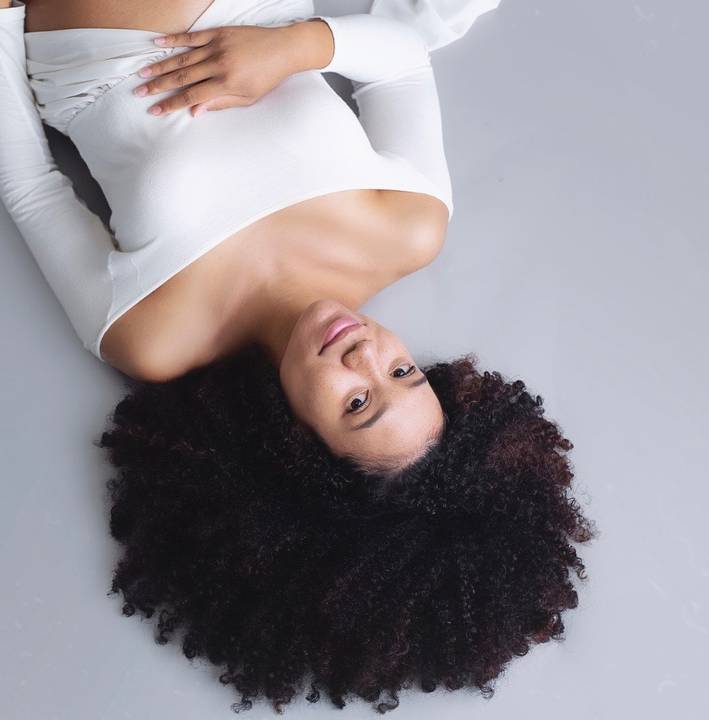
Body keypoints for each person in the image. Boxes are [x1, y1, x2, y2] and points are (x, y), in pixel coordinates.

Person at [2, 2, 597, 713]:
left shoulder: (153, 337)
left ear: (296, 452)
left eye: (358, 403)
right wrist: (293, 48)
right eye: (403, 373)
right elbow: (401, 64)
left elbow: (31, 189)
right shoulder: (409, 230)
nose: (365, 354)